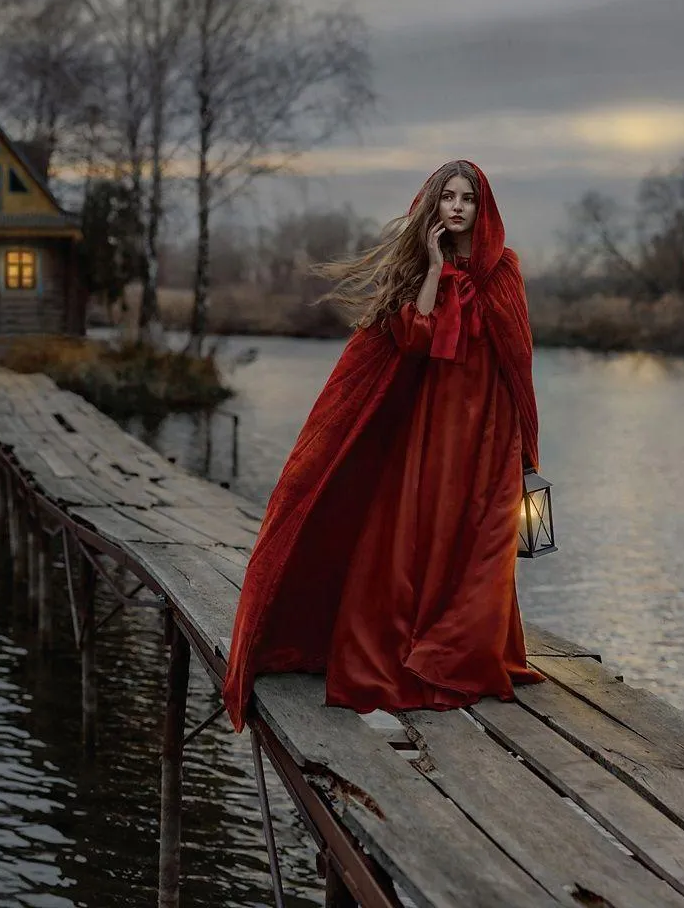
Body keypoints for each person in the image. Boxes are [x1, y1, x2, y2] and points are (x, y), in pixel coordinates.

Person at [222, 159, 546, 731]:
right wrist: (433, 267)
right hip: (434, 424)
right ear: (432, 207)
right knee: (425, 532)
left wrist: (525, 448)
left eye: (467, 199)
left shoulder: (505, 271)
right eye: (447, 197)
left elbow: (519, 365)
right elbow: (417, 339)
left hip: (490, 429)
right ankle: (416, 648)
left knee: (484, 541)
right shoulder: (425, 267)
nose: (457, 207)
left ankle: (466, 654)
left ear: (483, 207)